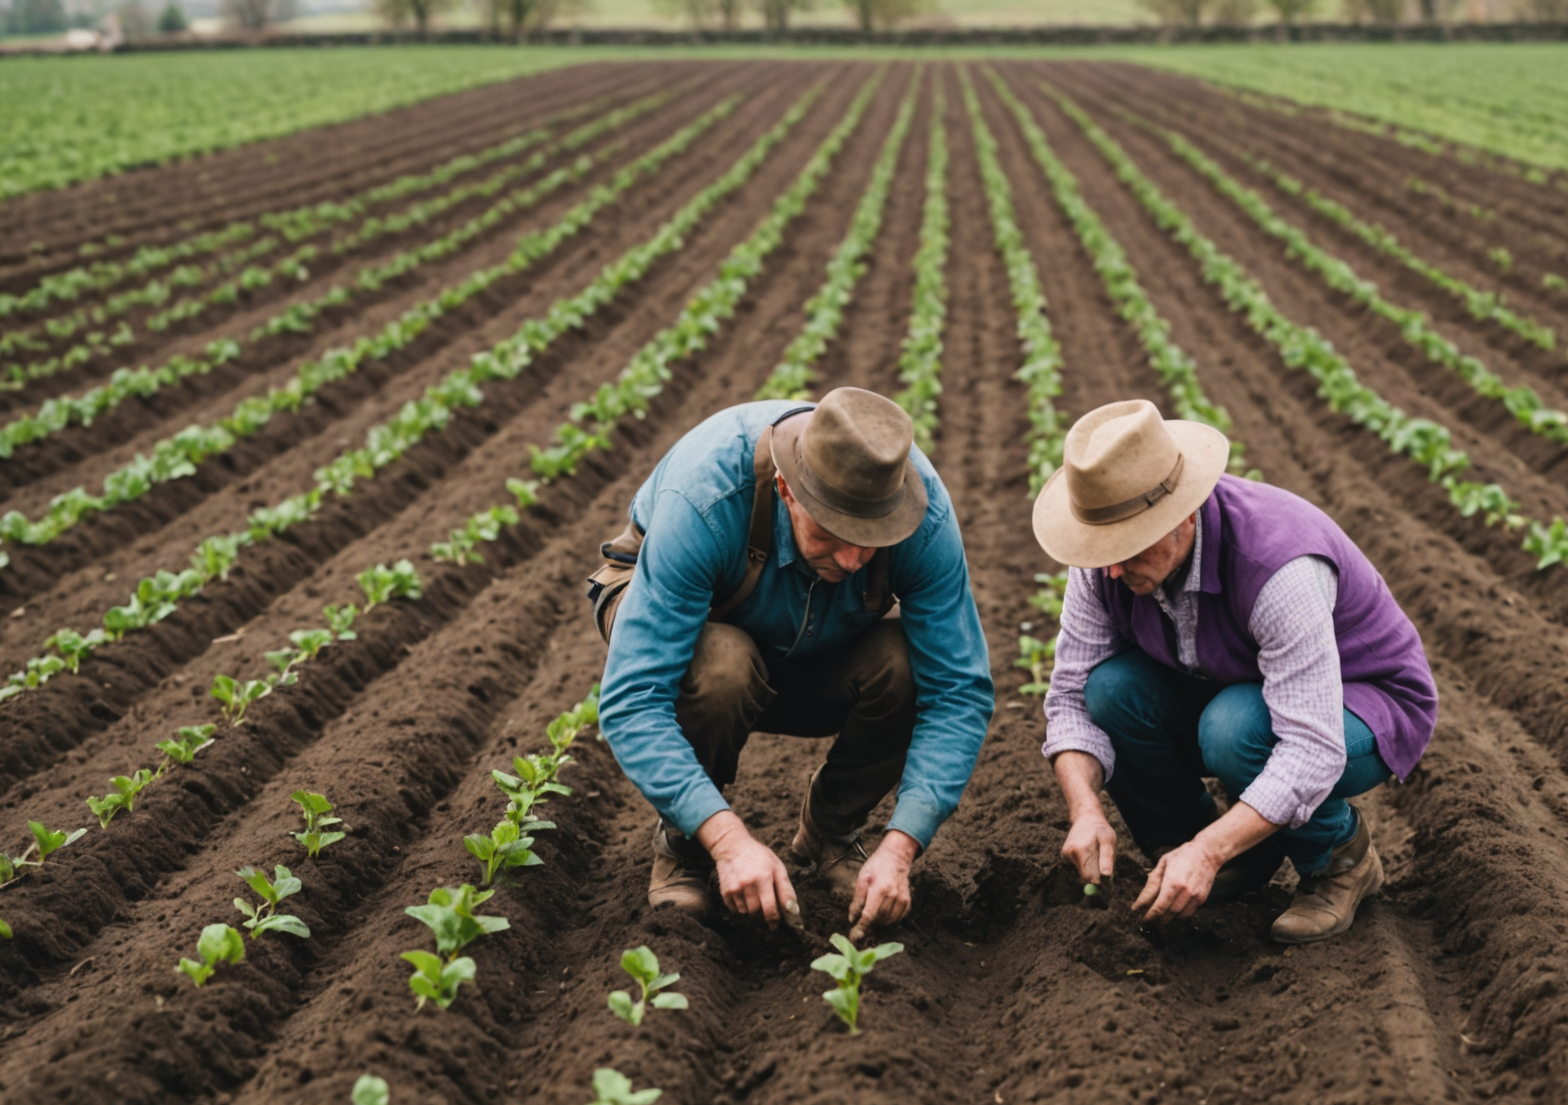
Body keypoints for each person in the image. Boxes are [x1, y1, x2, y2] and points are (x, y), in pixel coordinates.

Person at [594, 387, 993, 941]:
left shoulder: (919, 517)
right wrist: (730, 841)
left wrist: (901, 846)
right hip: (698, 633)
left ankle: (831, 830)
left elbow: (958, 692)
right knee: (721, 665)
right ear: (787, 491)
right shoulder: (707, 498)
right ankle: (685, 844)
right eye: (832, 534)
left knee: (908, 667)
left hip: (824, 632)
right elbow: (634, 697)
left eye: (871, 541)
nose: (854, 559)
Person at [1031, 401, 1438, 944]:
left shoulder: (1279, 566)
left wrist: (1210, 850)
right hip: (1231, 684)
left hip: (1361, 703)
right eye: (1101, 548)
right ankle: (1201, 854)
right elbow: (1071, 699)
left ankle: (1339, 860)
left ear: (1183, 515)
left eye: (1127, 546)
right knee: (1109, 690)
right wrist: (1085, 810)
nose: (1111, 568)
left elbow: (1311, 748)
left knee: (1235, 730)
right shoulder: (1104, 565)